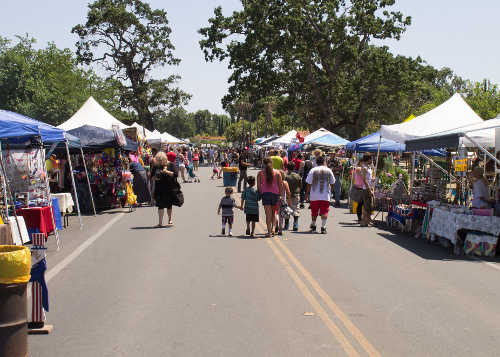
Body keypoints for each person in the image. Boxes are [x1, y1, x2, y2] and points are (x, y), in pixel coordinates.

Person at [306, 155, 335, 234]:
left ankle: (314, 225)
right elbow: (333, 183)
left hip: (314, 195)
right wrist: (330, 190)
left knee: (314, 211)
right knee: (325, 211)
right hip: (325, 195)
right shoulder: (329, 170)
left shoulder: (313, 170)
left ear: (316, 162)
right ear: (324, 162)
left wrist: (307, 194)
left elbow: (308, 183)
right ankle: (323, 227)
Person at [257, 157, 284, 237]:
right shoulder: (277, 172)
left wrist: (261, 192)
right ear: (271, 163)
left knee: (268, 215)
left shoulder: (260, 173)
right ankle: (273, 228)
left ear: (263, 164)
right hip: (275, 195)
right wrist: (281, 195)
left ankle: (269, 232)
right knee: (274, 213)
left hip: (265, 194)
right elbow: (280, 185)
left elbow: (259, 186)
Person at [153, 151, 179, 227]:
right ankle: (160, 222)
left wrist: (167, 172)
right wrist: (155, 178)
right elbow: (151, 177)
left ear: (165, 158)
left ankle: (170, 220)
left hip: (169, 188)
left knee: (169, 205)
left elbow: (176, 174)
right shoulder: (156, 166)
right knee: (160, 206)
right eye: (158, 160)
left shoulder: (171, 164)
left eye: (161, 160)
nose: (160, 161)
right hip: (159, 188)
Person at [352, 155, 374, 227]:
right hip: (366, 188)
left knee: (369, 205)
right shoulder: (364, 168)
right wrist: (369, 189)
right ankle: (364, 222)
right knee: (366, 205)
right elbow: (364, 180)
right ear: (369, 159)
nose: (372, 160)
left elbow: (369, 178)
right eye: (371, 159)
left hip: (368, 187)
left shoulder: (368, 167)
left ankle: (367, 220)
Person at [285, 162, 302, 231]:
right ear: (294, 167)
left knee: (286, 209)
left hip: (287, 195)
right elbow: (300, 185)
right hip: (295, 194)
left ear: (287, 168)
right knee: (296, 209)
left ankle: (286, 225)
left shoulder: (285, 176)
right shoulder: (297, 176)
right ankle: (295, 224)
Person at [278, 170, 292, 235]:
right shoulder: (284, 182)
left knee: (275, 213)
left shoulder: (275, 182)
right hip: (282, 200)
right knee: (281, 215)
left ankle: (274, 226)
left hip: (275, 199)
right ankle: (280, 229)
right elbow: (288, 192)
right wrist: (289, 201)